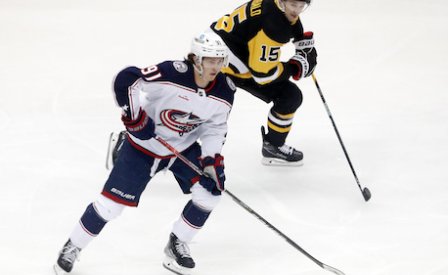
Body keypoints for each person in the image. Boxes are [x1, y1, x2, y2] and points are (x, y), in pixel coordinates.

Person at [53, 31, 235, 275]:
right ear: (195, 58)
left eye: (219, 60)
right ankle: (72, 246)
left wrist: (211, 160)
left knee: (210, 195)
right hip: (144, 147)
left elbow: (216, 127)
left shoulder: (225, 89)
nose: (216, 66)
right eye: (210, 60)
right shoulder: (172, 73)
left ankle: (177, 243)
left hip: (182, 149)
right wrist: (135, 116)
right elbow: (127, 79)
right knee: (110, 207)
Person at [209, 0, 317, 166]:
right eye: (293, 4)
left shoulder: (272, 5)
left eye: (301, 5)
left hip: (214, 47)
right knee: (290, 96)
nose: (296, 10)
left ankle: (272, 146)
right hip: (222, 65)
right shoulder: (273, 25)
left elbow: (291, 22)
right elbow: (263, 75)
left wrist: (301, 40)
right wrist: (295, 67)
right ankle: (195, 153)